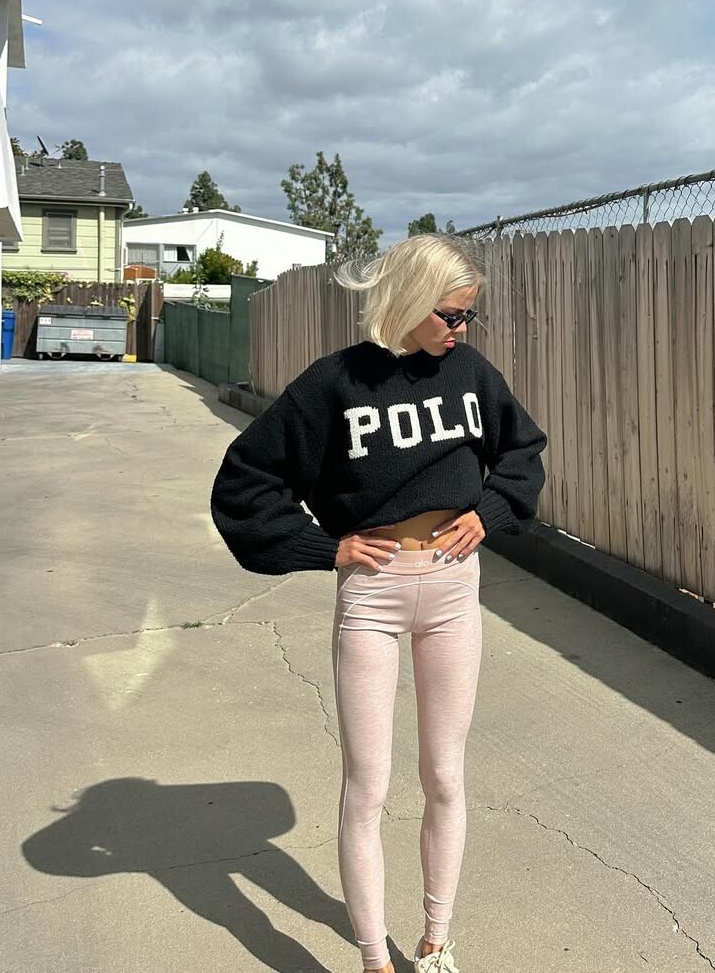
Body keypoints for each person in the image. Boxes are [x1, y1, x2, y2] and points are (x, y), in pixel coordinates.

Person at [211, 234, 547, 973]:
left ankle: (436, 941)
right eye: (450, 315)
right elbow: (245, 482)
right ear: (407, 300)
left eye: (468, 315)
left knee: (445, 775)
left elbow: (523, 452)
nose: (461, 329)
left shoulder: (469, 373)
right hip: (372, 593)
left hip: (454, 589)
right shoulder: (335, 383)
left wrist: (489, 511)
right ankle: (373, 959)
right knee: (367, 786)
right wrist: (322, 547)